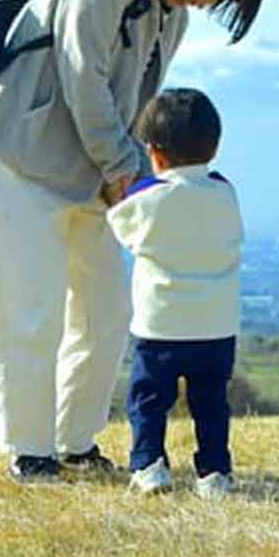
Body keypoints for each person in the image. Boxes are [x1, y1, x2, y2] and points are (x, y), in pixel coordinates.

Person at [0, 0, 265, 483]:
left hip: (92, 170)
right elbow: (83, 73)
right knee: (30, 309)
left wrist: (129, 175)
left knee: (106, 311)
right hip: (17, 151)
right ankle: (30, 450)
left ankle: (75, 441)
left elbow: (136, 106)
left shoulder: (169, 17)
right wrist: (127, 170)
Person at [107, 87, 243, 499]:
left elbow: (120, 226)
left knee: (149, 400)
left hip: (161, 324)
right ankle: (215, 472)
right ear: (214, 147)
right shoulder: (224, 192)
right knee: (211, 404)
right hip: (216, 325)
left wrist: (119, 189)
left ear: (155, 151)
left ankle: (149, 465)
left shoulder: (148, 197)